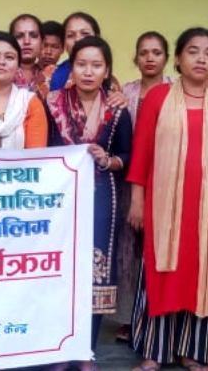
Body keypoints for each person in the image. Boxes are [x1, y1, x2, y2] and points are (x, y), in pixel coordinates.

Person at [127, 27, 208, 371]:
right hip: (165, 207)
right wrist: (137, 199)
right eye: (193, 51)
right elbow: (142, 153)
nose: (202, 58)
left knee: (203, 274)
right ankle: (155, 351)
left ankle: (194, 350)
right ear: (179, 58)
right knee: (163, 273)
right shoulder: (158, 98)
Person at [46, 36, 132, 371]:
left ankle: (86, 351)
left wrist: (107, 159)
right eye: (81, 64)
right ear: (71, 67)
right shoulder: (52, 102)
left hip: (101, 199)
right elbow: (43, 148)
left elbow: (128, 155)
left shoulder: (117, 109)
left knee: (96, 273)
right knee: (60, 271)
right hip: (60, 199)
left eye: (96, 65)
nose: (88, 71)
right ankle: (58, 350)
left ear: (106, 71)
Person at [111, 31, 171, 343]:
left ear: (167, 58)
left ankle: (156, 314)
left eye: (156, 52)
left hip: (165, 180)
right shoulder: (125, 93)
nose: (150, 58)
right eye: (144, 52)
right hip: (129, 178)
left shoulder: (176, 92)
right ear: (136, 58)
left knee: (159, 248)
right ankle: (127, 318)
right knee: (127, 249)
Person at [49, 12, 100, 91]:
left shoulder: (108, 80)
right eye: (70, 35)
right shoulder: (50, 75)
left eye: (85, 33)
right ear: (64, 43)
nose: (78, 39)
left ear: (97, 38)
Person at [8, 14, 48, 96]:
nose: (26, 41)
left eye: (33, 36)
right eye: (19, 36)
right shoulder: (2, 73)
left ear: (42, 43)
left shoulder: (51, 76)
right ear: (10, 42)